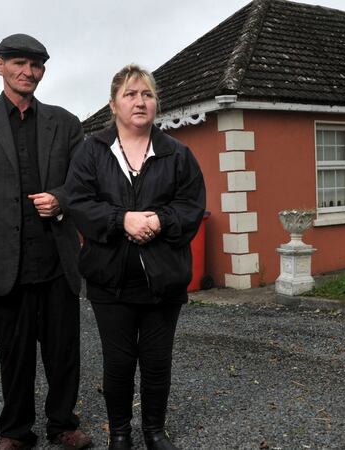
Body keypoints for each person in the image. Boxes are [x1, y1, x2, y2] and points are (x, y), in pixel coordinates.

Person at [0, 33, 92, 450]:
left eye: (37, 66)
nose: (29, 72)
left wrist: (61, 200)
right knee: (15, 354)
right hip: (2, 261)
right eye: (19, 64)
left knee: (63, 352)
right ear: (0, 66)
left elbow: (82, 182)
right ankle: (15, 431)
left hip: (57, 259)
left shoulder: (65, 122)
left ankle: (63, 424)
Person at [64, 64, 206, 450]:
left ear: (156, 102)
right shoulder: (91, 152)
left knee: (157, 361)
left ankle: (154, 432)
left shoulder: (178, 154)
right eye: (130, 94)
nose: (140, 102)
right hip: (110, 279)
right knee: (120, 362)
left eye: (147, 94)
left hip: (163, 279)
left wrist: (159, 220)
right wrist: (121, 219)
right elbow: (78, 202)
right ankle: (121, 434)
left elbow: (192, 207)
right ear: (113, 104)